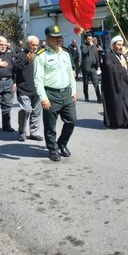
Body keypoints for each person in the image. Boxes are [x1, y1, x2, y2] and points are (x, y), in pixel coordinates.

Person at [34, 25, 77, 162]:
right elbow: (38, 79)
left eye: (60, 37)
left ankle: (62, 143)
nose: (59, 39)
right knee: (50, 125)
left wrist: (74, 90)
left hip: (66, 92)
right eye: (55, 37)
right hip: (51, 94)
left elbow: (70, 74)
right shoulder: (41, 56)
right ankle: (52, 149)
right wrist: (43, 97)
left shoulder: (65, 54)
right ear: (48, 38)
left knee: (71, 120)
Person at [101, 35, 128, 129]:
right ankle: (119, 122)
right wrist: (119, 65)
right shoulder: (108, 55)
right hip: (114, 85)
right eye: (118, 45)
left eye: (121, 45)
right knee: (118, 104)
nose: (120, 46)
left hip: (123, 83)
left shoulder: (121, 55)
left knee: (126, 102)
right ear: (113, 45)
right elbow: (109, 68)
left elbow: (125, 67)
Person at [15, 35, 43, 142]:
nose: (35, 47)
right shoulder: (20, 55)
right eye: (33, 45)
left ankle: (34, 133)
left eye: (37, 45)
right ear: (28, 44)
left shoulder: (40, 55)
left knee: (36, 112)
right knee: (26, 110)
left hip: (37, 89)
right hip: (24, 88)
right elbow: (15, 69)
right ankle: (22, 131)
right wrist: (26, 60)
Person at [81, 33, 102, 103]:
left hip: (93, 68)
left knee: (96, 82)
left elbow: (96, 56)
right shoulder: (83, 46)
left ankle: (99, 97)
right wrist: (90, 45)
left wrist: (98, 65)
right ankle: (86, 96)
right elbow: (84, 52)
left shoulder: (94, 46)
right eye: (89, 39)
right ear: (86, 39)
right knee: (86, 83)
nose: (90, 41)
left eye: (91, 39)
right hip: (86, 68)